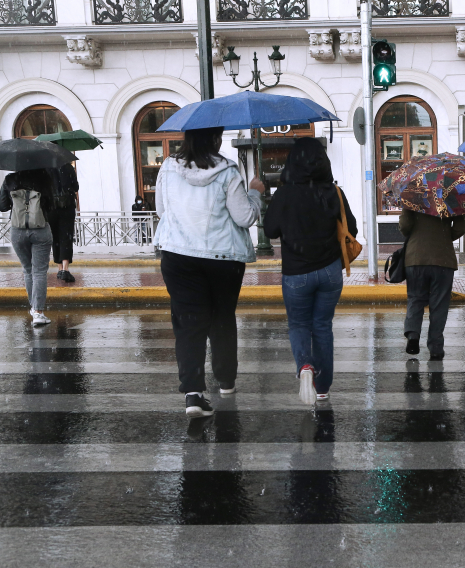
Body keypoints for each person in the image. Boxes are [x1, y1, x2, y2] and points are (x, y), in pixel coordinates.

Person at [153, 126, 264, 419]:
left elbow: (162, 211)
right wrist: (255, 192)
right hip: (222, 257)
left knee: (188, 324)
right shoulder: (227, 172)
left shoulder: (167, 168)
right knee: (222, 318)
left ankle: (193, 394)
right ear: (216, 139)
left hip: (177, 256)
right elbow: (245, 216)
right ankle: (226, 381)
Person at [264, 138, 357, 406]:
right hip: (330, 271)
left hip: (296, 273)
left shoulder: (285, 193)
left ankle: (305, 365)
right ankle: (323, 386)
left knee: (299, 324)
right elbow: (351, 227)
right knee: (322, 327)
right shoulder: (333, 191)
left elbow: (270, 231)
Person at [399, 209, 465, 360]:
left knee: (415, 298)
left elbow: (405, 225)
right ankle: (436, 347)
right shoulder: (451, 199)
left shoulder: (413, 197)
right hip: (443, 259)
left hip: (416, 258)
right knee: (439, 304)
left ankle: (413, 335)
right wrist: (445, 236)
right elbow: (461, 228)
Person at [0, 168, 56, 326]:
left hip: (18, 231)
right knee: (39, 272)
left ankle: (34, 308)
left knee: (27, 269)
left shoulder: (10, 180)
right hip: (41, 229)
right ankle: (38, 312)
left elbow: (2, 206)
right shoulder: (44, 177)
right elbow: (52, 205)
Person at [47, 162, 78, 283]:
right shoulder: (68, 167)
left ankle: (59, 268)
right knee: (66, 236)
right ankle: (65, 268)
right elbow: (76, 187)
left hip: (51, 208)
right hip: (67, 206)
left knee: (55, 237)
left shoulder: (46, 167)